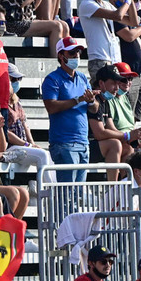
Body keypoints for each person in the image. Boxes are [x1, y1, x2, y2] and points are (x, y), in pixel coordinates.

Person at [42, 37, 98, 182]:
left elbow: (94, 109)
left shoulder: (82, 78)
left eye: (78, 52)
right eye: (72, 52)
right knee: (67, 191)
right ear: (61, 56)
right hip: (64, 143)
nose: (76, 56)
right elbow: (51, 107)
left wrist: (91, 101)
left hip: (83, 142)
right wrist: (78, 100)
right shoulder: (52, 79)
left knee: (77, 191)